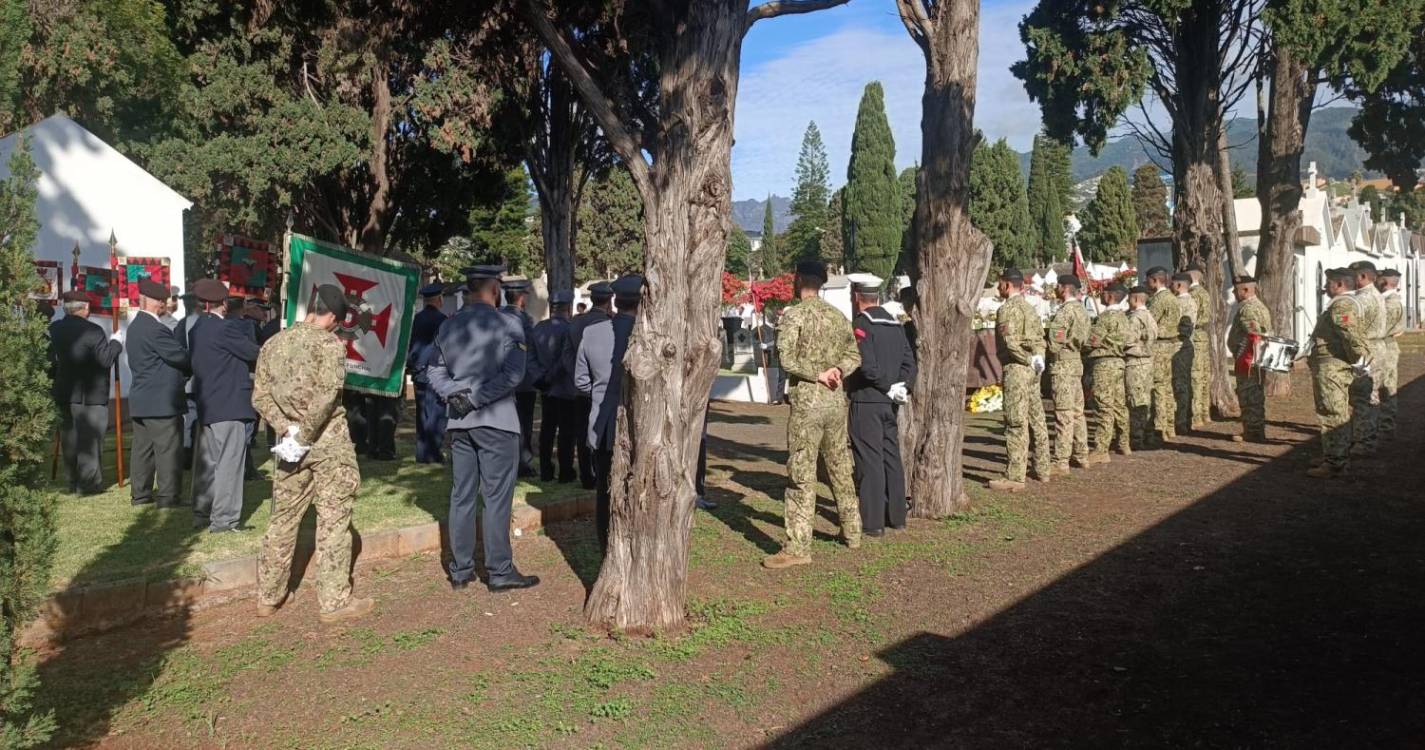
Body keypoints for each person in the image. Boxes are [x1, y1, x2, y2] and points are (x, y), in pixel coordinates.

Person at [253, 284, 373, 623]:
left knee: (282, 520)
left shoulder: (273, 343)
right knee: (334, 520)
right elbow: (325, 398)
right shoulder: (330, 345)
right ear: (332, 317)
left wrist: (286, 429)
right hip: (327, 445)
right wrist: (303, 435)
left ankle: (269, 596)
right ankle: (334, 602)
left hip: (290, 445)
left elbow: (260, 397)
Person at [429, 265, 539, 592]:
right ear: (494, 289)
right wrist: (475, 398)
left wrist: (455, 395)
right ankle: (499, 571)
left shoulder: (449, 327)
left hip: (460, 422)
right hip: (496, 421)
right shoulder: (508, 325)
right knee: (496, 498)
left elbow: (434, 371)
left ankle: (461, 571)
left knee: (462, 495)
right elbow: (513, 375)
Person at [764, 260, 862, 568]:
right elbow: (854, 355)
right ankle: (853, 532)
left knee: (801, 473)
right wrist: (838, 370)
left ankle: (797, 546)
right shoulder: (837, 317)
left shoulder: (796, 315)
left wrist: (818, 374)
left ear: (801, 279)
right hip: (835, 403)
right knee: (840, 467)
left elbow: (787, 360)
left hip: (808, 403)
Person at [845, 274, 916, 537]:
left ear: (856, 297)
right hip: (891, 401)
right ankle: (897, 516)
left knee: (869, 460)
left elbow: (867, 365)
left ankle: (873, 522)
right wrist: (903, 386)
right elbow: (910, 363)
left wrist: (887, 385)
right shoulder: (895, 324)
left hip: (868, 399)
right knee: (891, 457)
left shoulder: (863, 323)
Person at [575, 275, 642, 552]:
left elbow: (580, 381)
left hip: (603, 426)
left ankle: (606, 548)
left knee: (604, 491)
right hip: (639, 425)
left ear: (616, 299)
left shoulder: (592, 332)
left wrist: (602, 392)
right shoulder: (646, 335)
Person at [189, 278, 261, 533]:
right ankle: (224, 520)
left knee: (210, 463)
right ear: (223, 304)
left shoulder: (197, 328)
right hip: (230, 402)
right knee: (229, 465)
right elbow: (254, 353)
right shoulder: (225, 328)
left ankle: (203, 511)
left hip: (209, 403)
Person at [48, 290, 124, 494]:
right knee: (89, 440)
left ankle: (72, 481)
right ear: (86, 308)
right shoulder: (93, 330)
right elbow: (105, 360)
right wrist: (116, 342)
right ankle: (88, 484)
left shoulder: (55, 328)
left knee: (69, 441)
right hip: (90, 395)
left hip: (65, 392)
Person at [126, 278, 192, 508]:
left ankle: (141, 494)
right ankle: (168, 496)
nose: (165, 305)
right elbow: (180, 357)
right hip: (162, 401)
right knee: (168, 450)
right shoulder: (156, 330)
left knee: (142, 451)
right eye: (163, 301)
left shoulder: (135, 327)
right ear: (156, 303)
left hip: (141, 398)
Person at [988, 268, 1051, 493]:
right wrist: (1038, 361)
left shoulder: (1007, 309)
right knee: (1036, 418)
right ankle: (1043, 468)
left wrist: (1025, 360)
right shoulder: (1029, 308)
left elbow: (1010, 342)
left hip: (1017, 368)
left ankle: (1015, 475)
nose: (998, 288)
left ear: (1007, 285)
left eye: (1000, 284)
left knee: (1016, 421)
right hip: (1033, 370)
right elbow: (1040, 339)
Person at [1306, 268, 1370, 479]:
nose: (1325, 287)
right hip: (1331, 365)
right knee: (1335, 411)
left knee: (1332, 412)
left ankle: (1335, 463)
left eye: (1329, 283)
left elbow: (1350, 335)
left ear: (1340, 285)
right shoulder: (1340, 304)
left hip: (1333, 367)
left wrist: (1360, 360)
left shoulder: (1342, 305)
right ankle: (1334, 455)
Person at [564, 281, 613, 489]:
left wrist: (575, 374)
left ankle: (586, 475)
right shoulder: (611, 325)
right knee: (604, 436)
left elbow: (566, 354)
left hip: (581, 389)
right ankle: (603, 475)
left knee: (582, 433)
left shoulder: (576, 323)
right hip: (604, 390)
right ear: (609, 300)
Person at [531, 290, 578, 481]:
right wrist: (551, 376)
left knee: (547, 430)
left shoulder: (539, 328)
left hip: (546, 387)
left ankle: (545, 470)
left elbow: (531, 358)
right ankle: (565, 471)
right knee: (566, 432)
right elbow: (566, 358)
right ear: (568, 308)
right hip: (565, 387)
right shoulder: (570, 328)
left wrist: (541, 378)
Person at [1046, 275, 1090, 474]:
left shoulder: (1065, 313)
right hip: (1076, 363)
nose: (1055, 289)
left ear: (1064, 289)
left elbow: (1054, 343)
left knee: (1063, 414)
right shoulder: (1082, 310)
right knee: (1077, 413)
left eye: (1058, 286)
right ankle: (1081, 454)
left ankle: (1061, 460)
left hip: (1063, 365)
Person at [1085, 285, 1130, 463]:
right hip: (1119, 362)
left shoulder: (1105, 318)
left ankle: (1101, 449)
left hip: (1104, 363)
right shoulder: (1123, 317)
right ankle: (1124, 442)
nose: (1100, 295)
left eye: (1103, 293)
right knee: (1119, 404)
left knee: (1103, 405)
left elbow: (1092, 342)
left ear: (1110, 296)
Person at [1226, 275, 1272, 442]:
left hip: (1249, 358)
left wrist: (1245, 354)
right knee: (1255, 396)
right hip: (1256, 358)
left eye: (1236, 290)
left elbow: (1254, 334)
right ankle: (1255, 430)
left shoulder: (1248, 308)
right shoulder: (1259, 306)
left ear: (1245, 290)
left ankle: (1253, 432)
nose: (1233, 292)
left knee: (1249, 396)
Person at [1347, 260, 1386, 457]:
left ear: (1362, 277)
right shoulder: (1375, 295)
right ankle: (1369, 436)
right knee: (1372, 395)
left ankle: (1363, 441)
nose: (1350, 280)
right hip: (1376, 348)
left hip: (1366, 350)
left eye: (1353, 276)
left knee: (1361, 396)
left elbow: (1353, 327)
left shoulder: (1363, 299)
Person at [501, 279, 539, 478]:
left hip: (501, 380)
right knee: (524, 423)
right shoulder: (524, 320)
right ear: (521, 298)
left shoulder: (497, 316)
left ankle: (506, 461)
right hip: (523, 381)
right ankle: (523, 463)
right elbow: (531, 349)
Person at [408, 283, 448, 464]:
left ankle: (422, 452)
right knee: (436, 413)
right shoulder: (443, 320)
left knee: (422, 413)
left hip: (418, 371)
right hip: (435, 372)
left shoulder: (417, 318)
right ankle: (433, 452)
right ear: (439, 299)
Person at [1144, 266, 1180, 446]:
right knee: (1166, 387)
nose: (1146, 284)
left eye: (1148, 280)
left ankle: (1159, 426)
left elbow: (1149, 322)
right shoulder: (1173, 298)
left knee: (1157, 387)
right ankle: (1169, 425)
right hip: (1170, 345)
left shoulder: (1158, 300)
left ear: (1155, 280)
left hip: (1159, 346)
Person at [1125, 286, 1158, 451]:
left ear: (1136, 299)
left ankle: (1136, 438)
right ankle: (1149, 434)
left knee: (1135, 400)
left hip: (1135, 362)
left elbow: (1127, 340)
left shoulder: (1135, 318)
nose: (1126, 301)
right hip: (1147, 362)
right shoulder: (1149, 316)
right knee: (1146, 399)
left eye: (1129, 298)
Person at [1376, 268, 1405, 436]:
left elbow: (1381, 328)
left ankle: (1386, 426)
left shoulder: (1391, 303)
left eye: (1378, 279)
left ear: (1385, 282)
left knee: (1387, 387)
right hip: (1383, 346)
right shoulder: (1385, 301)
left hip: (1386, 348)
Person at [1170, 272, 1198, 433]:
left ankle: (1181, 421)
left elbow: (1185, 329)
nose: (1170, 286)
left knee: (1180, 385)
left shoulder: (1185, 303)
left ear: (1179, 285)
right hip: (1181, 348)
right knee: (1182, 384)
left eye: (1173, 283)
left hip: (1181, 348)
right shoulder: (1181, 301)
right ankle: (1183, 420)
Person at [1186, 263, 1213, 427]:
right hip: (1202, 336)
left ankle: (1196, 416)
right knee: (1203, 376)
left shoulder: (1193, 294)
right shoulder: (1204, 292)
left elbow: (1192, 317)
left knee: (1195, 377)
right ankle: (1205, 412)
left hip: (1194, 335)